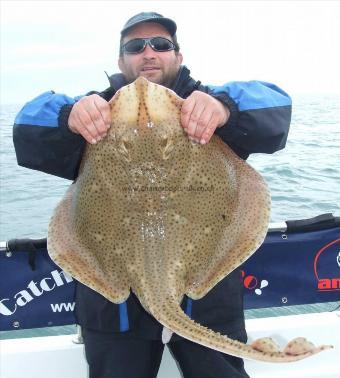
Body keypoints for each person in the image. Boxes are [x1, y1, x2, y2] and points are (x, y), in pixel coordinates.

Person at [13, 12, 292, 378]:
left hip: (205, 299)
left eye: (161, 45)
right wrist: (68, 116)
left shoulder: (211, 106)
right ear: (120, 60)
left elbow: (276, 104)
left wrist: (226, 108)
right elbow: (26, 124)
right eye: (135, 46)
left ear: (178, 55)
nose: (148, 53)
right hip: (116, 311)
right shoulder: (93, 114)